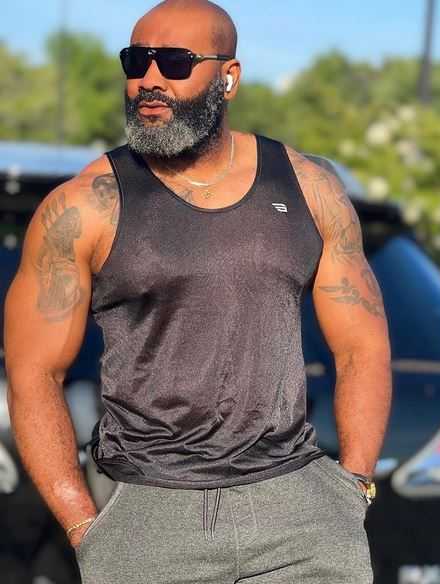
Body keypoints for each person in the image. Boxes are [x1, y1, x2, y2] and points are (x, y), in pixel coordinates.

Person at [4, 0, 392, 582]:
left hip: (300, 513)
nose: (149, 79)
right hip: (148, 516)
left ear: (228, 77)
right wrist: (85, 525)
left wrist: (351, 489)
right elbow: (33, 372)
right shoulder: (85, 206)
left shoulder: (308, 187)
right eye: (136, 61)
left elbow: (362, 347)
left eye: (175, 63)